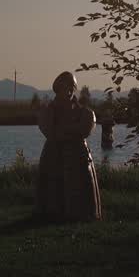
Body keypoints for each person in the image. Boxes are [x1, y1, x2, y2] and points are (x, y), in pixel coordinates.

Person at [36, 72, 102, 221]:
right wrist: (72, 131)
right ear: (58, 89)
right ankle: (51, 214)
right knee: (53, 187)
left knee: (79, 187)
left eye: (72, 87)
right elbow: (51, 132)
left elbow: (85, 129)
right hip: (53, 156)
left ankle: (83, 214)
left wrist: (65, 131)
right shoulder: (47, 113)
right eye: (65, 87)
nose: (70, 91)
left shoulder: (85, 113)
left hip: (78, 157)